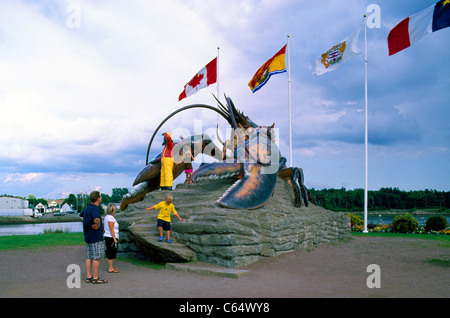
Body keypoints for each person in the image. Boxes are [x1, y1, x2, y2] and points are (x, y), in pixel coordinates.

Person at [80, 191, 107, 284]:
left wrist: (87, 223)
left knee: (89, 257)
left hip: (88, 236)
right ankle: (95, 278)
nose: (101, 198)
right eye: (100, 196)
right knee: (97, 257)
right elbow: (97, 219)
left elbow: (81, 216)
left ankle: (89, 276)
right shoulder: (95, 208)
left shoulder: (87, 208)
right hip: (96, 237)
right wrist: (98, 225)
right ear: (98, 198)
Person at [104, 203, 119, 273]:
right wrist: (114, 239)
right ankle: (110, 268)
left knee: (109, 252)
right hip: (111, 238)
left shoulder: (107, 217)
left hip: (108, 237)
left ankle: (111, 266)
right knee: (111, 253)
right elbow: (111, 228)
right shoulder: (110, 218)